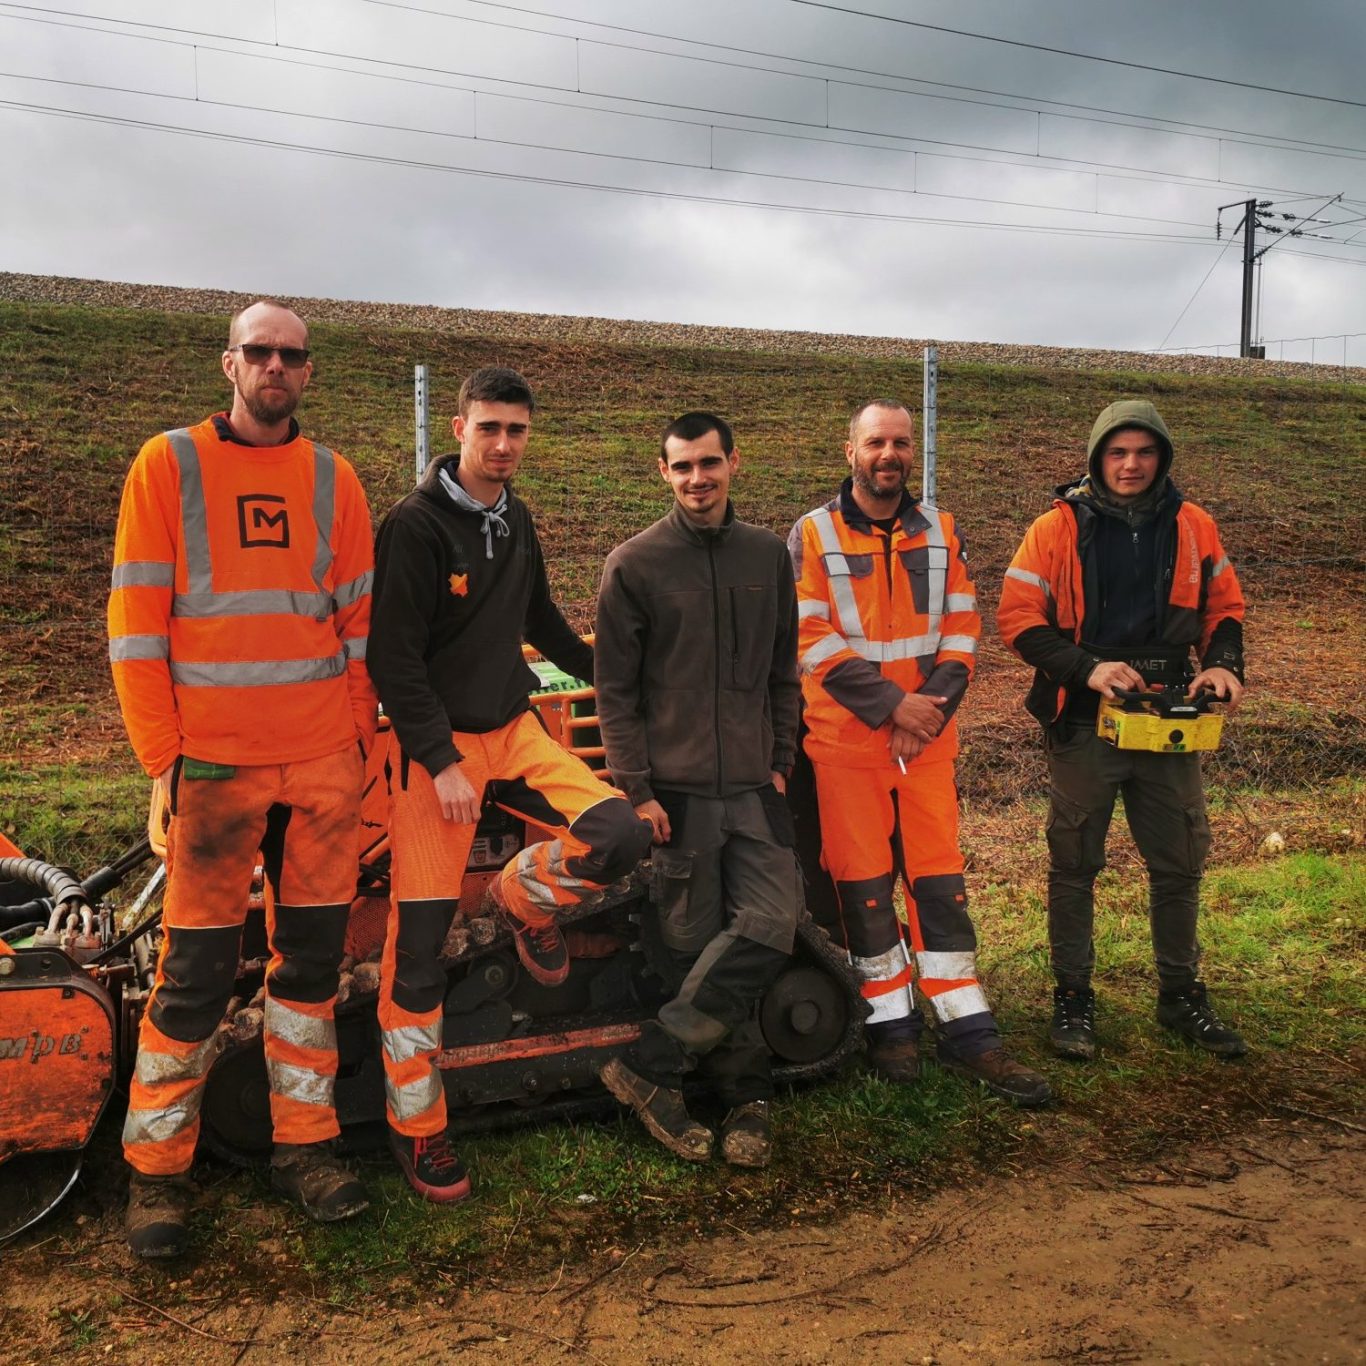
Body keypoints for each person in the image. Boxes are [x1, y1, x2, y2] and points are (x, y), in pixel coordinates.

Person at [108, 301, 377, 1259]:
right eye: (258, 352)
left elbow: (357, 627)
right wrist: (165, 760)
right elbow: (136, 629)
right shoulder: (168, 465)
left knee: (308, 969)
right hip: (214, 769)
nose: (274, 366)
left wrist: (349, 745)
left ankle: (304, 1148)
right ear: (230, 363)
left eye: (291, 355)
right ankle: (156, 1179)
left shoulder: (330, 477)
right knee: (192, 977)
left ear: (308, 372)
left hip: (319, 772)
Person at [367, 366, 652, 1201]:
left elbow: (542, 626)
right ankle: (417, 1129)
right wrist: (440, 759)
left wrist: (616, 676)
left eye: (516, 431)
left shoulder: (512, 519)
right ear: (458, 428)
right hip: (437, 755)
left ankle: (523, 903)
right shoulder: (416, 527)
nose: (502, 445)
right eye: (488, 428)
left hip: (514, 731)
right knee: (415, 957)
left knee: (621, 832)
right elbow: (393, 659)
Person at [788, 399, 1050, 1106]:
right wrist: (889, 706)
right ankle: (890, 1027)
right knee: (863, 890)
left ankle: (970, 1033)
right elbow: (810, 636)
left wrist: (926, 712)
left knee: (939, 885)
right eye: (877, 442)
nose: (890, 454)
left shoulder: (941, 530)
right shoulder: (812, 533)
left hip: (925, 743)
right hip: (848, 745)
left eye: (901, 443)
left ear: (913, 451)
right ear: (851, 450)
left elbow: (963, 627)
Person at [997, 399, 1247, 1060]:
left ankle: (1180, 995)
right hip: (1085, 724)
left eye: (1143, 452)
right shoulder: (1053, 530)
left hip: (1170, 719)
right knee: (1075, 862)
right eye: (1117, 452)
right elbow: (1018, 621)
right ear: (1097, 458)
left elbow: (1225, 608)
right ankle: (1073, 999)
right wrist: (1088, 669)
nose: (1131, 464)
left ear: (1161, 457)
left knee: (1180, 861)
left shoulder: (1195, 526)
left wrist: (1222, 666)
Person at [593, 412, 801, 1167]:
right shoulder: (635, 564)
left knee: (771, 922)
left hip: (754, 786)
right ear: (663, 472)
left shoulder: (766, 556)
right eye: (682, 467)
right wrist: (637, 789)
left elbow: (785, 670)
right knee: (693, 950)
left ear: (733, 464)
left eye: (708, 464)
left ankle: (648, 1067)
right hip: (674, 794)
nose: (697, 480)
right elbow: (613, 692)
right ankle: (745, 1100)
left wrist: (780, 758)